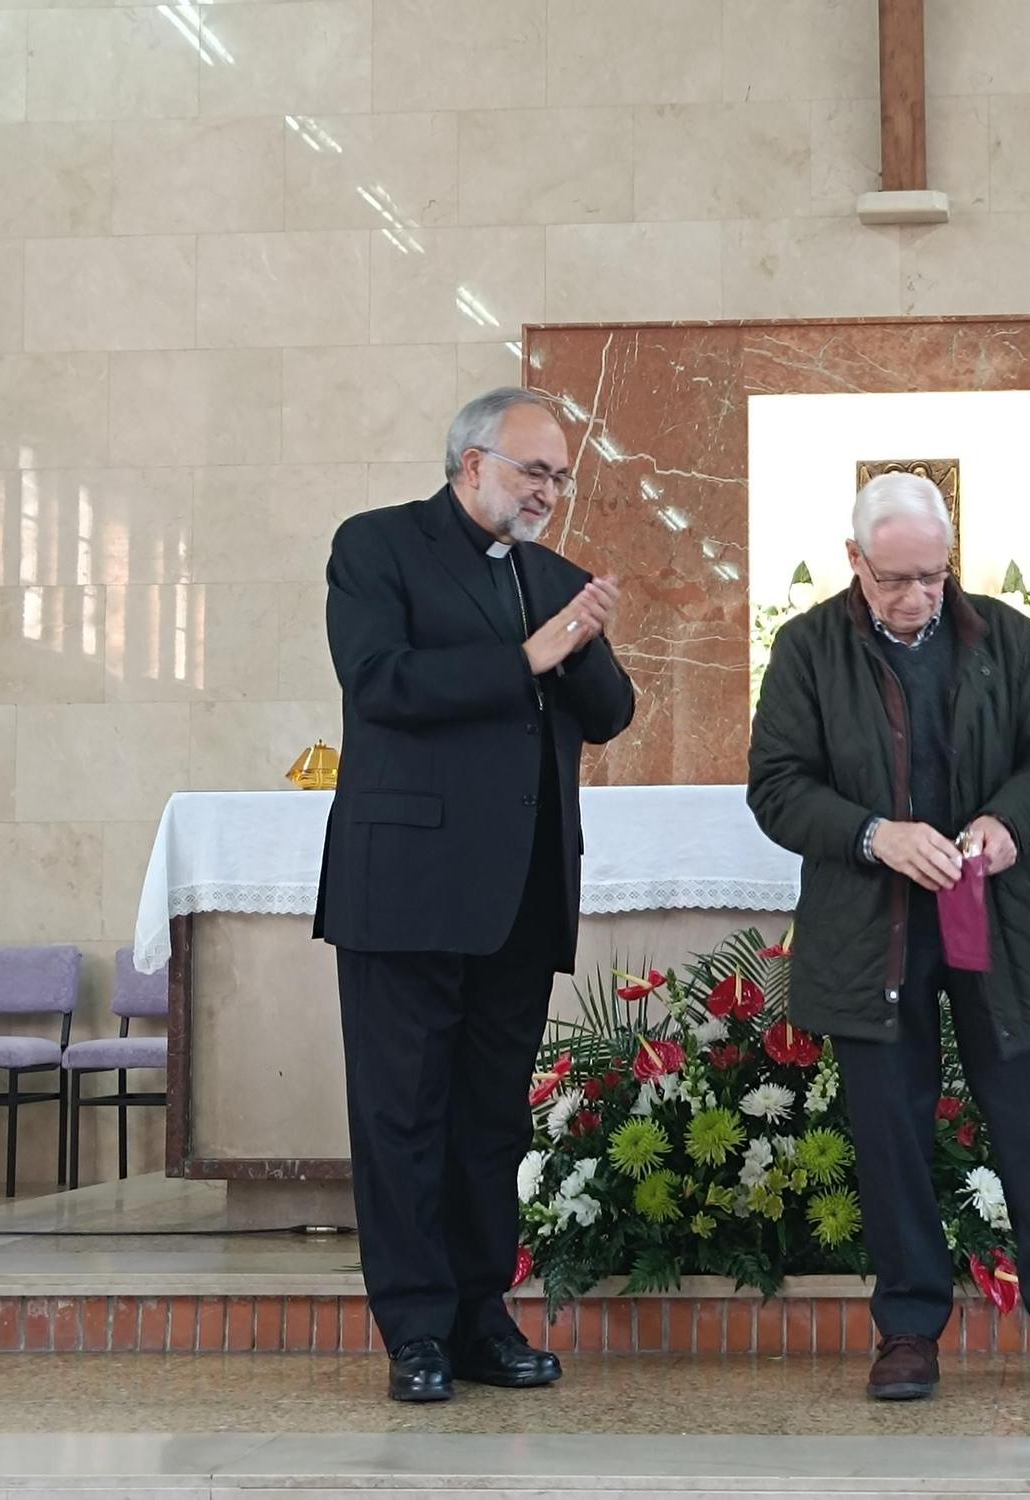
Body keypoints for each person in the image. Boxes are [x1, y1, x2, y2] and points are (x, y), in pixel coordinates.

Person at [747, 471, 1030, 1403]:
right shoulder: (805, 648)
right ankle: (908, 1329)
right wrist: (877, 835)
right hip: (876, 930)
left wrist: (1006, 823)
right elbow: (778, 786)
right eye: (895, 580)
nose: (917, 598)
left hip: (1000, 921)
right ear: (853, 563)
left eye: (934, 577)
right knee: (891, 1135)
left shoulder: (1006, 636)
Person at [316, 387, 635, 1402]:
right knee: (402, 1116)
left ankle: (479, 1314)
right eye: (531, 471)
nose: (548, 491)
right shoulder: (378, 547)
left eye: (559, 476)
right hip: (405, 890)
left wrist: (577, 643)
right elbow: (380, 683)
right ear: (469, 465)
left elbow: (611, 713)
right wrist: (527, 657)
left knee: (489, 1119)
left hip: (520, 892)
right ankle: (414, 1330)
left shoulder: (555, 576)